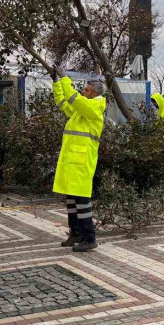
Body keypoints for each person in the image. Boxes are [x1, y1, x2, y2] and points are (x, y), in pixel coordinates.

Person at [52, 67, 106, 252]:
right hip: (72, 162)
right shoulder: (81, 111)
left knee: (82, 202)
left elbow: (74, 99)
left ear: (94, 94)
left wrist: (65, 79)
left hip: (82, 162)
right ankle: (75, 233)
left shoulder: (94, 107)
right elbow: (62, 101)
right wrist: (56, 82)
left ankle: (89, 237)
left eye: (86, 90)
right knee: (72, 200)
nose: (83, 92)